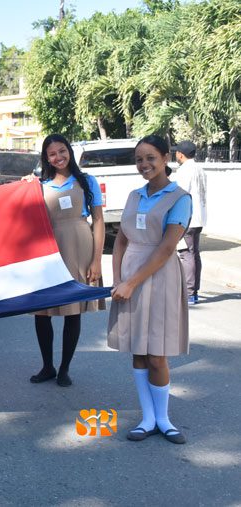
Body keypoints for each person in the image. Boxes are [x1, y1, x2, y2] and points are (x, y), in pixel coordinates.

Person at [108, 135, 192, 445]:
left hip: (159, 278)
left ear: (166, 157)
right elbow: (121, 239)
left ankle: (164, 419)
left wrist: (131, 282)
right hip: (130, 278)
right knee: (139, 351)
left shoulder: (180, 198)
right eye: (139, 159)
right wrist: (118, 278)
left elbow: (167, 247)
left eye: (151, 158)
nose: (144, 164)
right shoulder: (133, 195)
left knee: (157, 354)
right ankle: (147, 418)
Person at [24, 134, 105, 387]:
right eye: (52, 154)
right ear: (45, 158)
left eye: (62, 151)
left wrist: (97, 261)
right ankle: (47, 365)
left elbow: (99, 221)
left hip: (80, 246)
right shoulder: (39, 185)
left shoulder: (87, 181)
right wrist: (24, 186)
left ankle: (65, 368)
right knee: (42, 311)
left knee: (73, 310)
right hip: (48, 249)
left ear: (69, 151)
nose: (58, 157)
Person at [172, 141, 206, 304]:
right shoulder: (199, 168)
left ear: (180, 154)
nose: (175, 155)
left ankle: (190, 292)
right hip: (199, 217)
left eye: (176, 153)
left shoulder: (185, 170)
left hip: (188, 217)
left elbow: (181, 194)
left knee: (186, 253)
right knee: (194, 253)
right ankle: (194, 291)